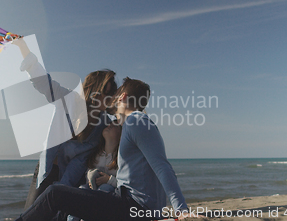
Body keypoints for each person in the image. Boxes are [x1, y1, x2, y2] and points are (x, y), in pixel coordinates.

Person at [15, 78, 199, 221]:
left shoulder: (136, 121)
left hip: (134, 207)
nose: (111, 100)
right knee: (66, 207)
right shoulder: (131, 124)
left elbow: (162, 167)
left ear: (123, 97)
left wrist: (182, 210)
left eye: (115, 95)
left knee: (55, 194)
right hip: (128, 202)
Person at [12, 39, 118, 211]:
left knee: (53, 212)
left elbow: (81, 161)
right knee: (31, 212)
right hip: (46, 169)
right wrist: (24, 50)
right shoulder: (69, 100)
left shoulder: (103, 125)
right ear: (94, 92)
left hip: (70, 177)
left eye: (112, 96)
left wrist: (61, 188)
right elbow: (44, 84)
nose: (109, 100)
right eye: (106, 94)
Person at [67, 119, 122, 221]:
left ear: (121, 135)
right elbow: (88, 172)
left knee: (105, 188)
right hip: (92, 190)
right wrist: (90, 175)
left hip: (109, 198)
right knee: (81, 189)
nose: (110, 125)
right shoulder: (97, 155)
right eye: (110, 123)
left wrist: (109, 180)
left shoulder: (120, 158)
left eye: (116, 125)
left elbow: (124, 183)